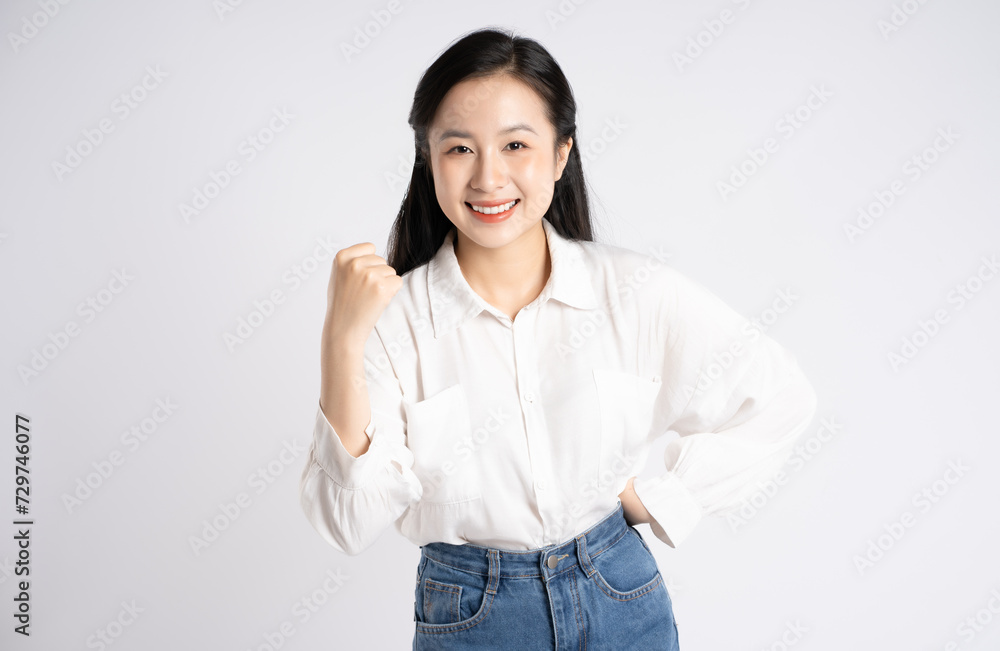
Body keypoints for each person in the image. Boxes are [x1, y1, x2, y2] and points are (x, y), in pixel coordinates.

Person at [298, 26, 818, 650]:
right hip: (472, 615)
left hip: (620, 594)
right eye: (460, 149)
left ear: (561, 153)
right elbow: (346, 522)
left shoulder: (633, 291)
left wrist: (665, 499)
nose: (489, 178)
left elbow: (777, 396)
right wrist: (340, 340)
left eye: (516, 144)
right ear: (428, 158)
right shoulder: (393, 323)